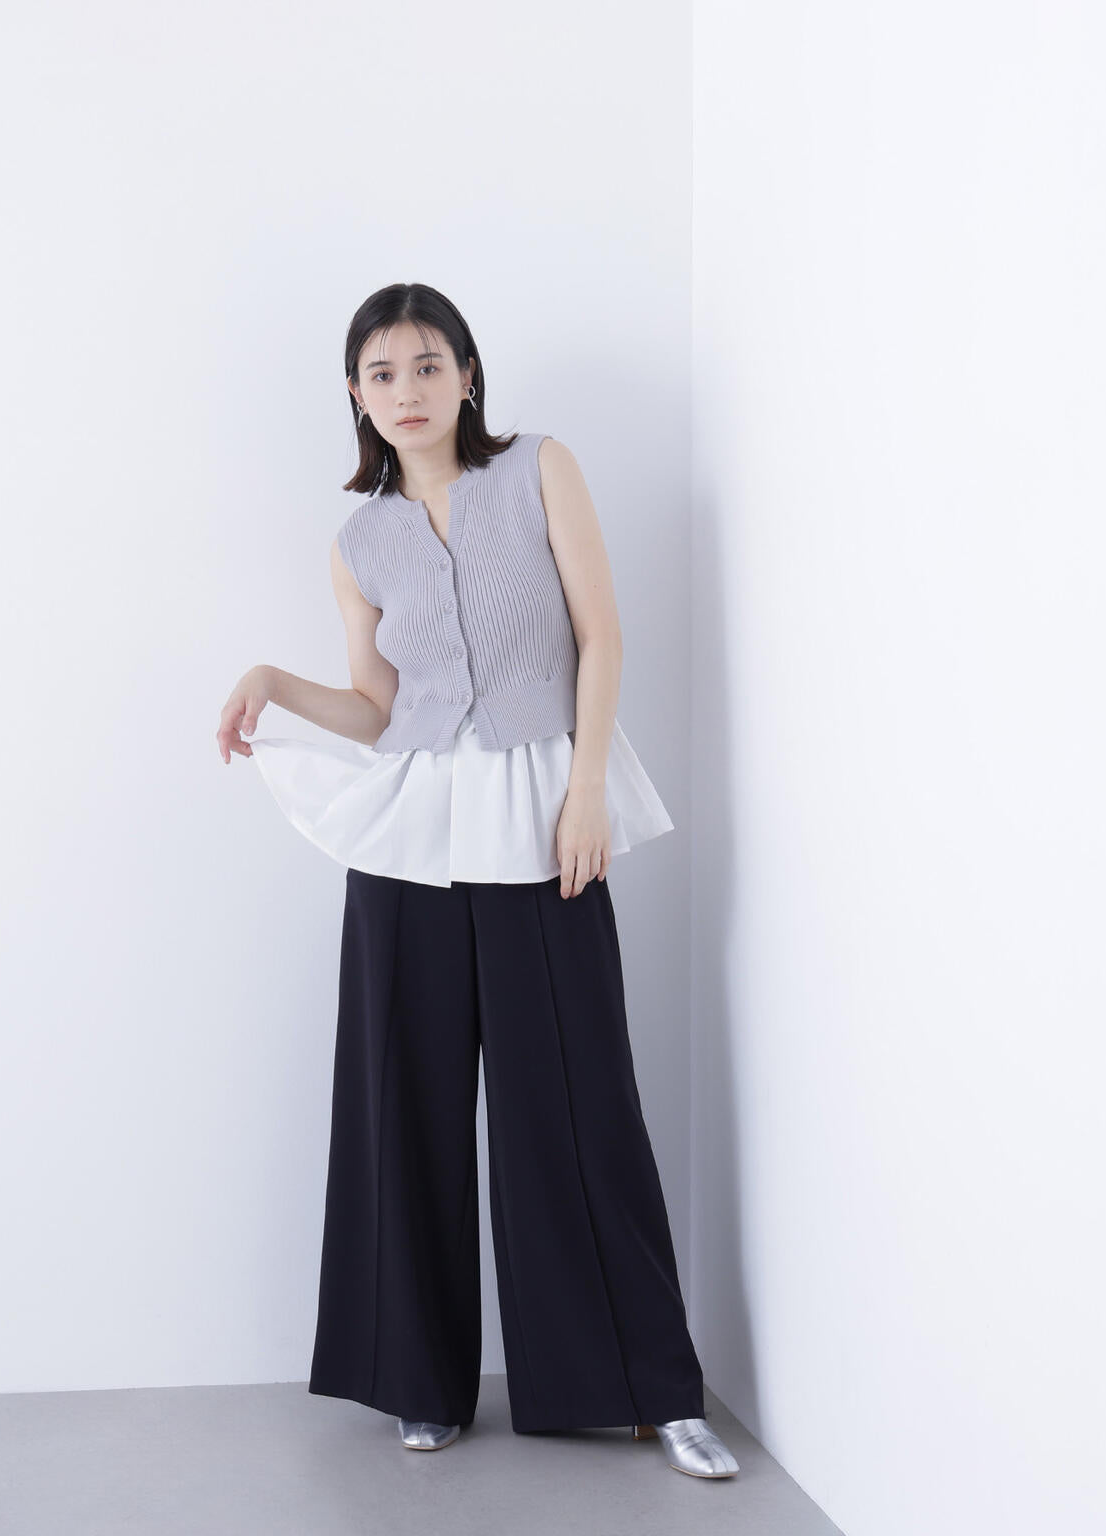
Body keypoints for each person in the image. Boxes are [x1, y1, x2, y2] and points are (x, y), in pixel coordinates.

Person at [218, 283, 738, 1480]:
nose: (405, 390)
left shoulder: (539, 470)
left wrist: (587, 786)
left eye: (425, 365)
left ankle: (651, 1390)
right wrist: (273, 683)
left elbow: (600, 635)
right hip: (408, 842)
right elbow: (380, 708)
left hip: (541, 820)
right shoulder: (358, 544)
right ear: (355, 395)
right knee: (400, 1103)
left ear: (466, 373)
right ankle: (419, 1380)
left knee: (578, 1105)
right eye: (380, 373)